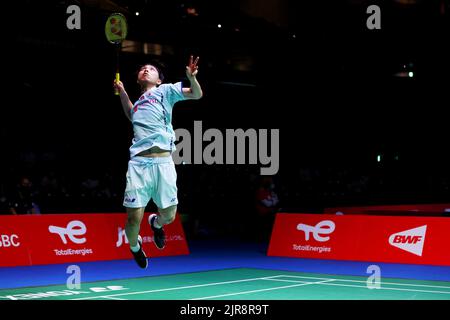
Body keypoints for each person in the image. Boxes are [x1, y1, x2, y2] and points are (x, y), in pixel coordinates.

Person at [113, 56, 203, 268]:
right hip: (138, 166)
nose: (146, 70)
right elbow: (130, 112)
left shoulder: (165, 91)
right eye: (143, 68)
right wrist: (122, 91)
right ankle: (135, 248)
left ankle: (156, 223)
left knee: (169, 216)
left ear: (159, 80)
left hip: (163, 163)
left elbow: (197, 94)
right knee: (133, 219)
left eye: (151, 69)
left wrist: (192, 78)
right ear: (138, 78)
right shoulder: (137, 108)